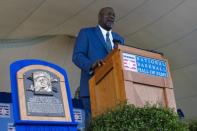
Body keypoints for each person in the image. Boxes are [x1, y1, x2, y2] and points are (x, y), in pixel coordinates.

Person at [72, 7, 124, 128]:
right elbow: (77, 56)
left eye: (114, 15)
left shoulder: (119, 39)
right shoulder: (86, 33)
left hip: (115, 90)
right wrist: (92, 64)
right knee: (94, 126)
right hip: (92, 89)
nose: (112, 16)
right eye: (109, 14)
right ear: (100, 16)